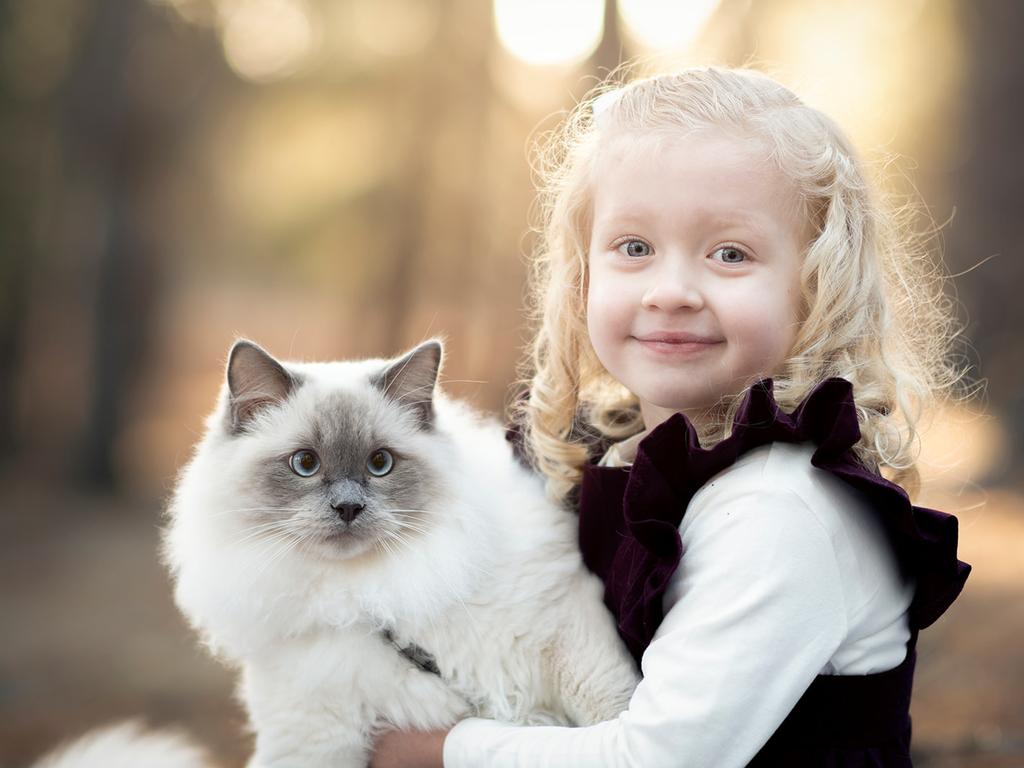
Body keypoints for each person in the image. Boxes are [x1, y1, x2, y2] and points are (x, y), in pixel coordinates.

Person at [370, 66, 972, 767]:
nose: (672, 290)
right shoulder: (627, 458)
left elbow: (661, 758)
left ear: (817, 286)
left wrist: (440, 751)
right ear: (583, 273)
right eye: (634, 248)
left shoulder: (779, 506)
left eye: (730, 253)